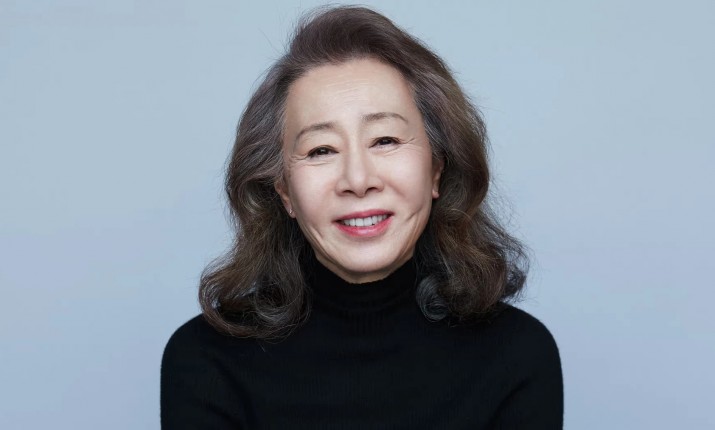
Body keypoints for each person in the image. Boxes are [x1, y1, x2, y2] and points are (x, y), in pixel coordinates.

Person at [161, 5, 563, 429]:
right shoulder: (206, 362)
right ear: (284, 192)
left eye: (385, 140)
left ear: (436, 170)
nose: (357, 180)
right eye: (321, 150)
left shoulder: (516, 355)